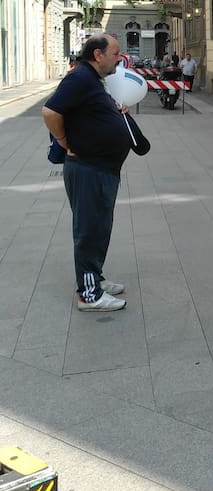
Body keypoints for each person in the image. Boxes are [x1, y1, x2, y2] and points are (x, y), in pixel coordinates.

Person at [42, 34, 133, 312]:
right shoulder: (79, 77)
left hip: (101, 168)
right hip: (88, 170)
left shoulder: (91, 79)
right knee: (89, 230)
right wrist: (63, 141)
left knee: (99, 228)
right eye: (115, 53)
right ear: (98, 55)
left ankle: (95, 278)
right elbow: (50, 112)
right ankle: (89, 295)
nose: (120, 58)